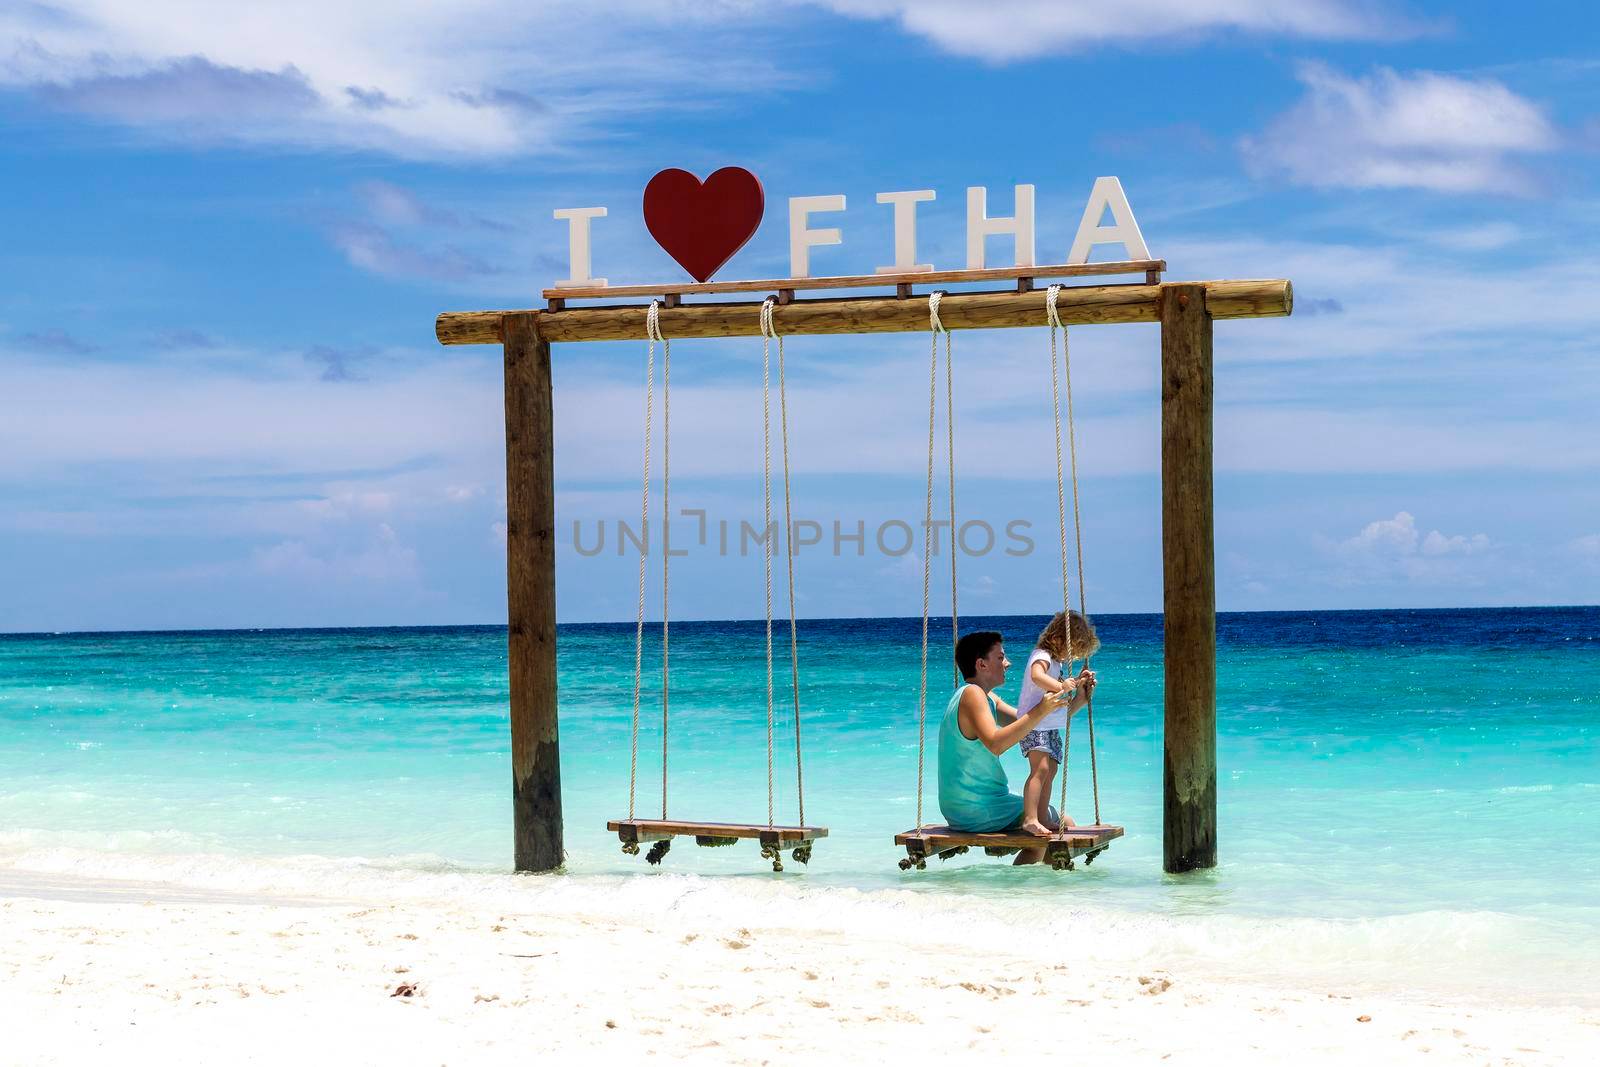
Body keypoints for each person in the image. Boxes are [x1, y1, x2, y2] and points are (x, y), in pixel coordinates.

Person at [938, 630, 1094, 865]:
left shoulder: (988, 698)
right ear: (981, 664)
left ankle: (1032, 889)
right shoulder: (972, 695)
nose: (1008, 663)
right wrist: (1040, 708)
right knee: (1062, 825)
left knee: (1055, 821)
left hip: (972, 805)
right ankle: (1022, 892)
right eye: (1000, 658)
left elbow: (1032, 723)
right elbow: (997, 744)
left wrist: (1078, 701)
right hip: (975, 807)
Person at [1015, 611, 1100, 836]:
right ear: (1058, 639)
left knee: (1050, 770)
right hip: (1033, 725)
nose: (1070, 656)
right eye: (1070, 649)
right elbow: (1036, 676)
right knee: (1040, 768)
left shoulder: (1056, 663)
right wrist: (1061, 686)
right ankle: (1030, 819)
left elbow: (1061, 700)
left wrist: (1079, 687)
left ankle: (1042, 817)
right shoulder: (1041, 655)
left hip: (1048, 725)